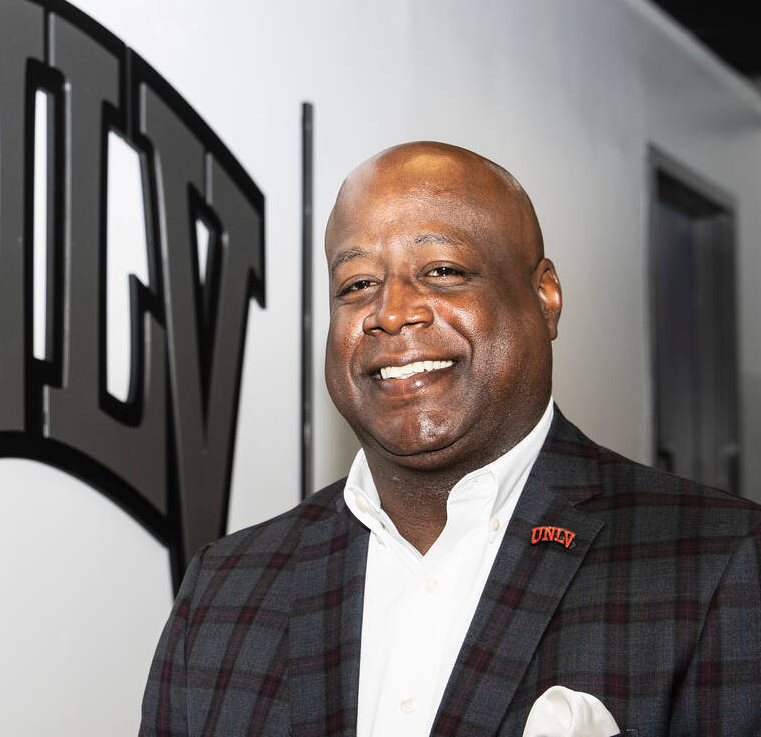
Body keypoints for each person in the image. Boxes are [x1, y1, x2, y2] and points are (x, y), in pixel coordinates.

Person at [139, 141, 761, 736]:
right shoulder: (224, 590)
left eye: (443, 271)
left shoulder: (717, 560)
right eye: (357, 285)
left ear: (544, 297)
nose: (392, 312)